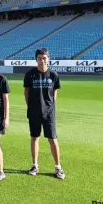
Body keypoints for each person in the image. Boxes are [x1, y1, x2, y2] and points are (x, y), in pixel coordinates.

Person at [23, 48, 65, 180]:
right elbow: (26, 92)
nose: (42, 60)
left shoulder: (53, 75)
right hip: (34, 112)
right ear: (36, 59)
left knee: (53, 139)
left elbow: (55, 92)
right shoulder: (30, 74)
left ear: (48, 59)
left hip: (49, 113)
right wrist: (31, 107)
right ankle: (35, 165)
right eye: (40, 58)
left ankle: (58, 167)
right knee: (35, 138)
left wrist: (50, 106)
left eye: (44, 58)